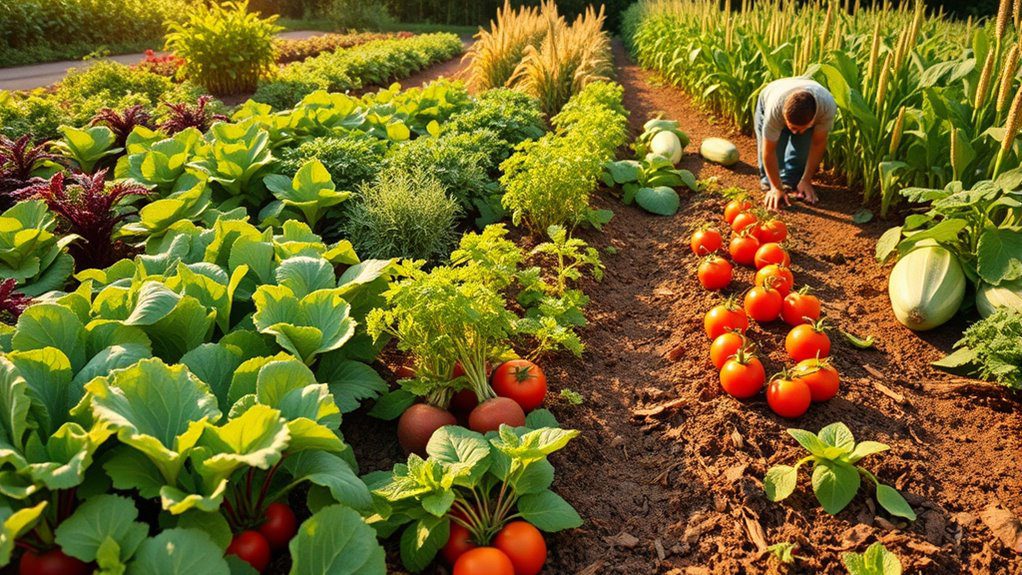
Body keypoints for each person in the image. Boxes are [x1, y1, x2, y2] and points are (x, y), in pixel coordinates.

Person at [754, 77, 837, 211]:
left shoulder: (826, 108)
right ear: (784, 116)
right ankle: (772, 188)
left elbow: (818, 144)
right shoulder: (774, 111)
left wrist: (806, 179)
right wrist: (775, 187)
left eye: (800, 128)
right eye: (791, 127)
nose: (794, 132)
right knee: (777, 154)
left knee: (800, 154)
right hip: (771, 95)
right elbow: (769, 151)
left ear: (812, 121)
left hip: (812, 101)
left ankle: (792, 183)